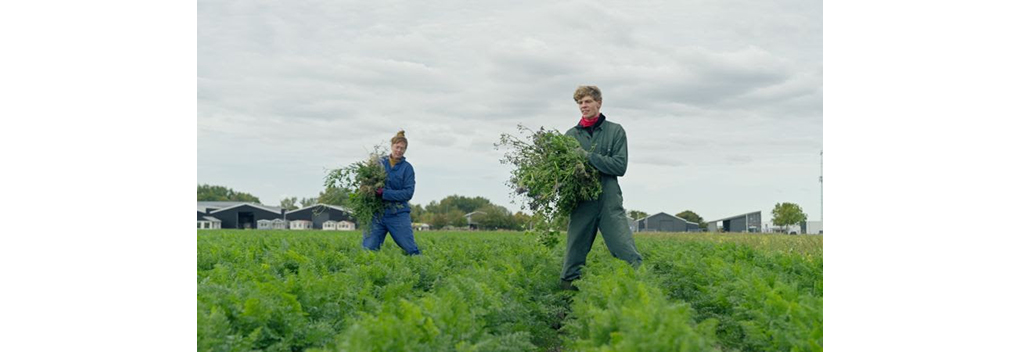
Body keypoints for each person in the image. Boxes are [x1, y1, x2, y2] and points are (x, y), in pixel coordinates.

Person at [560, 85, 642, 290]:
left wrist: (587, 157)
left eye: (587, 101)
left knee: (625, 250)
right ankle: (566, 301)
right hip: (582, 202)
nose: (583, 105)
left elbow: (619, 166)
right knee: (573, 256)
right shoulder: (570, 136)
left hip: (609, 201)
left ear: (599, 102)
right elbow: (563, 170)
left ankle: (640, 294)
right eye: (580, 102)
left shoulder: (615, 131)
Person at [362, 130, 422, 255]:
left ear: (405, 150)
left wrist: (384, 193)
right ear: (392, 146)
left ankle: (421, 264)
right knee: (368, 250)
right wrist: (366, 189)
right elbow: (366, 182)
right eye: (397, 147)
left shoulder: (407, 168)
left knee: (410, 249)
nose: (399, 150)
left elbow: (408, 193)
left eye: (402, 148)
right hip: (377, 213)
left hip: (398, 214)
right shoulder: (378, 163)